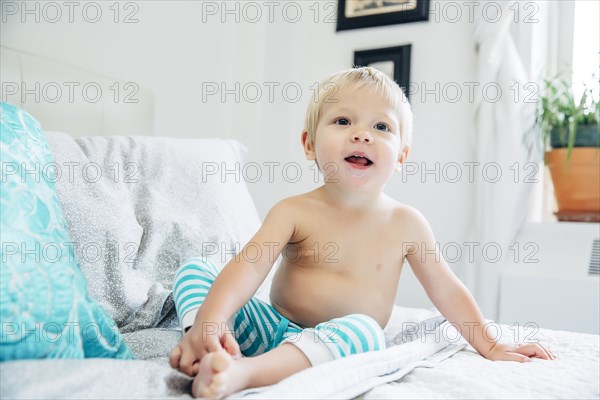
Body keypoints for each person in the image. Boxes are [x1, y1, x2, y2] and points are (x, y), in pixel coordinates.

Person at [169, 67, 555, 399]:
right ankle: (205, 346)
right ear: (309, 144)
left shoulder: (407, 224)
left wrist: (489, 342)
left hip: (337, 340)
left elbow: (447, 289)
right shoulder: (294, 211)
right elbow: (247, 269)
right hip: (271, 328)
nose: (362, 135)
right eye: (342, 121)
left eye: (381, 126)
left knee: (365, 331)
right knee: (196, 270)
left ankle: (242, 375)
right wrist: (211, 319)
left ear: (402, 155)